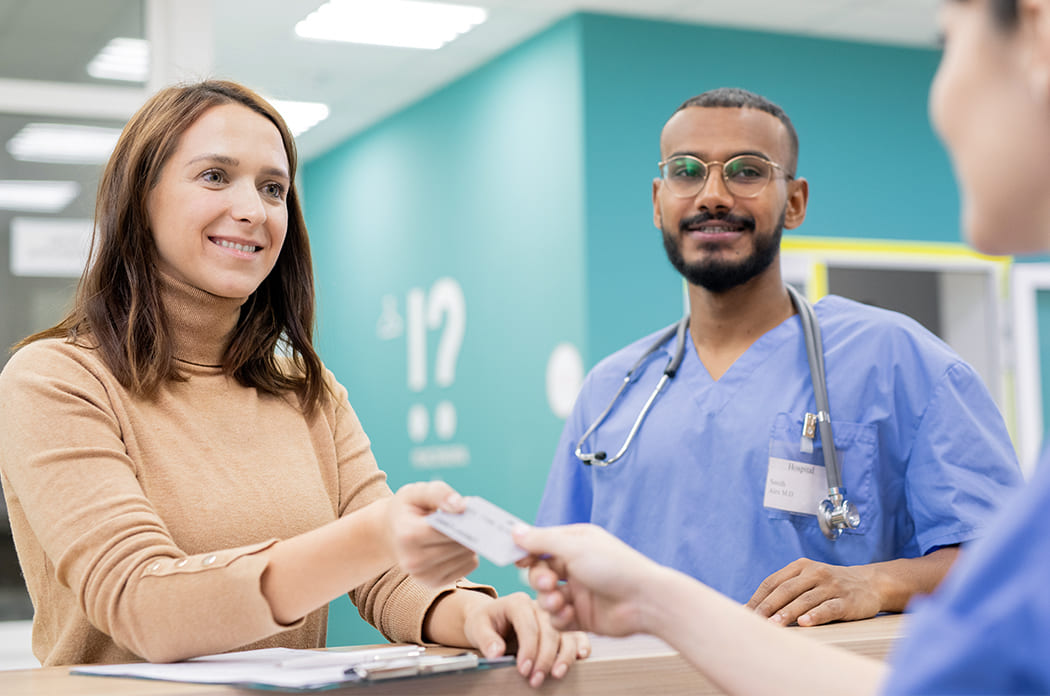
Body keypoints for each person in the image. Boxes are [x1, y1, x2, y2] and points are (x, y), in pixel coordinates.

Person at [512, 0, 1050, 692]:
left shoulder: (897, 360)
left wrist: (880, 581)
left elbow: (1000, 569)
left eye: (745, 170)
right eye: (685, 171)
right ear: (656, 200)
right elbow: (556, 579)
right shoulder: (611, 389)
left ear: (794, 202)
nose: (712, 194)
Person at [0, 80, 585, 687]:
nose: (253, 208)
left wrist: (479, 615)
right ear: (138, 198)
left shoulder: (306, 388)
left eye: (273, 188)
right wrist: (373, 536)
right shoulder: (55, 379)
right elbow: (143, 606)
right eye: (214, 176)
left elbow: (386, 575)